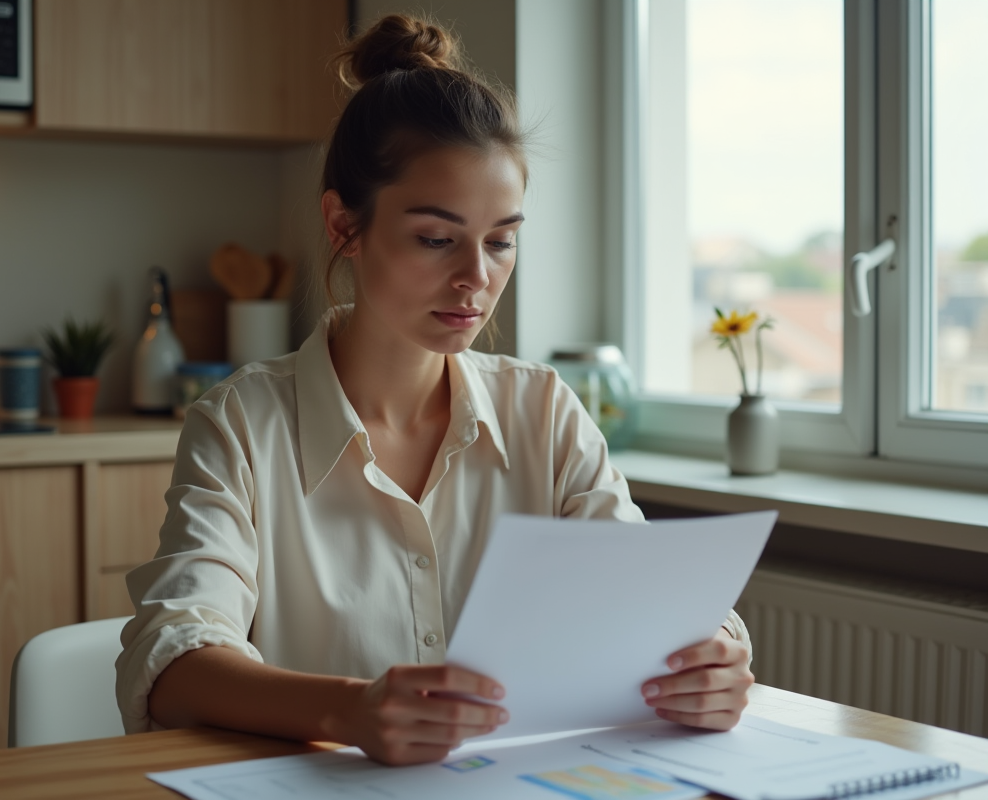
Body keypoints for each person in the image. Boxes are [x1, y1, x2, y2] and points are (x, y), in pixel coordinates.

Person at [116, 13, 754, 767]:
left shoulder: (544, 411)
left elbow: (648, 607)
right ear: (343, 224)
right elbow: (172, 662)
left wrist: (709, 662)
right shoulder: (241, 424)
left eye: (501, 240)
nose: (476, 279)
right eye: (435, 237)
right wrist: (347, 708)